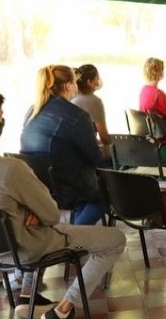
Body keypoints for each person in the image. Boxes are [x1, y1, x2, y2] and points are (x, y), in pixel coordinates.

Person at [0, 84, 126, 319]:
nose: (2, 120)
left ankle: (28, 297)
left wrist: (24, 212)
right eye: (0, 117)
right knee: (115, 239)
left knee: (26, 220)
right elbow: (50, 215)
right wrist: (32, 213)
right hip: (25, 247)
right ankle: (66, 306)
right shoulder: (9, 170)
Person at [20, 65, 105, 225]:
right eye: (74, 82)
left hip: (37, 183)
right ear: (67, 86)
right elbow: (95, 158)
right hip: (64, 188)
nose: (76, 86)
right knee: (105, 195)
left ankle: (71, 232)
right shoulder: (77, 116)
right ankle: (74, 237)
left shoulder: (32, 111)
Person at [72, 64, 110, 147]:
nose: (98, 81)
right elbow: (104, 138)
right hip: (85, 150)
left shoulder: (71, 97)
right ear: (89, 82)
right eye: (97, 78)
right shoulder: (94, 101)